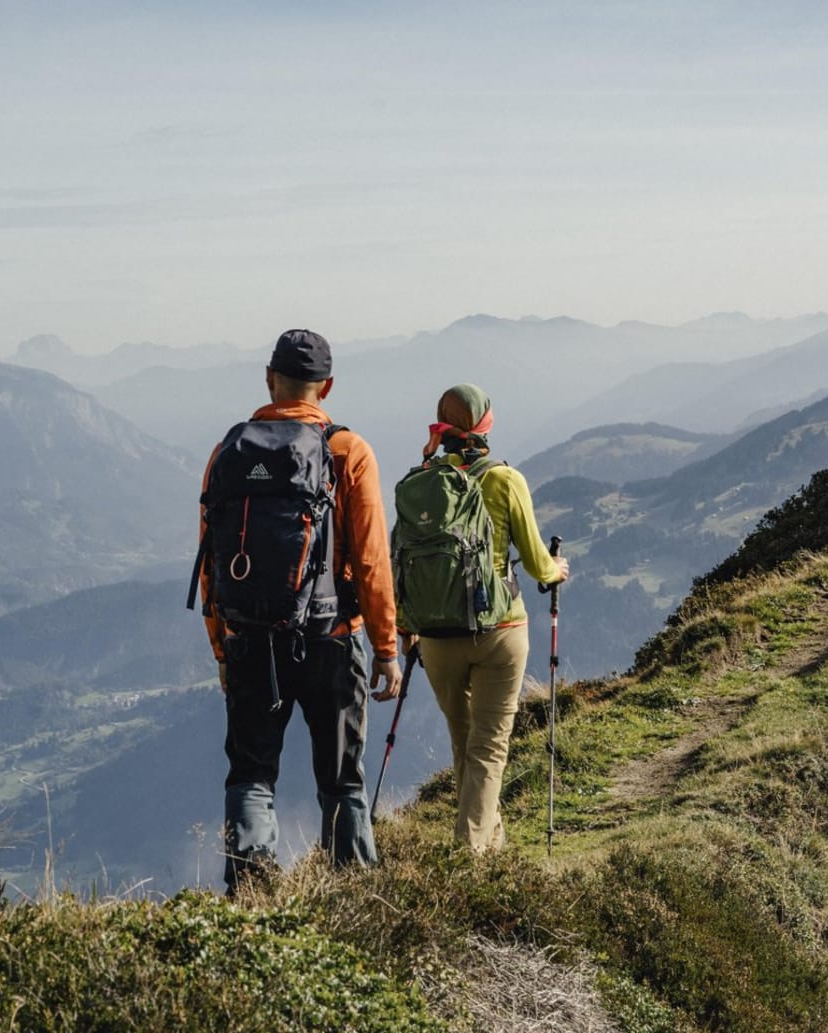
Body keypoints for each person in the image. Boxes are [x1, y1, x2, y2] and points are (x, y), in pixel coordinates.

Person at [193, 328, 403, 893]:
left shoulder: (227, 452)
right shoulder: (346, 451)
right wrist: (387, 647)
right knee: (340, 777)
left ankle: (251, 895)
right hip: (330, 637)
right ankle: (355, 895)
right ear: (327, 386)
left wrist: (223, 646)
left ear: (269, 378)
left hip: (249, 639)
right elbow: (372, 557)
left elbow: (211, 561)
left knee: (252, 773)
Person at [404, 383, 567, 852]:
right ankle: (470, 860)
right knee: (490, 748)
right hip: (499, 632)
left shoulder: (422, 482)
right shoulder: (503, 479)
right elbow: (538, 564)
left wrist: (404, 628)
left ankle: (491, 848)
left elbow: (406, 558)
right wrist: (558, 570)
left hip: (435, 633)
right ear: (485, 426)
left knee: (465, 744)